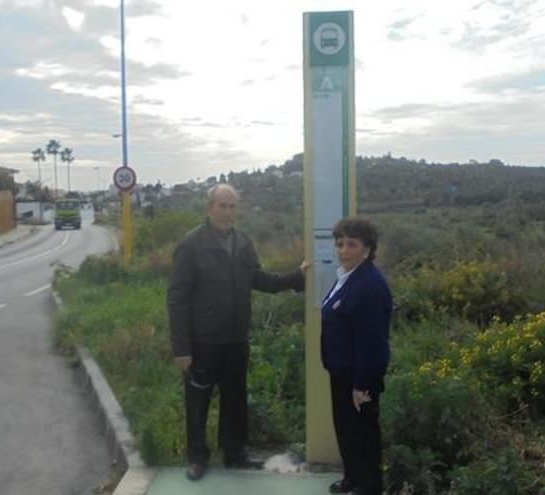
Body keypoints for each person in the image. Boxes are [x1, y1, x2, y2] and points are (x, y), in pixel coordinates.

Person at [167, 183, 307, 481]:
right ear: (210, 208)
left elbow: (259, 278)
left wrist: (296, 278)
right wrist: (181, 348)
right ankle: (197, 458)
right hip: (202, 341)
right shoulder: (191, 244)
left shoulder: (243, 242)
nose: (228, 211)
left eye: (232, 206)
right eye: (222, 205)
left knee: (235, 399)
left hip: (235, 339)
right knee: (197, 402)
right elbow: (177, 298)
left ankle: (234, 453)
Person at [321, 217, 392, 495]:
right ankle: (352, 478)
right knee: (347, 430)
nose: (343, 250)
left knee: (363, 433)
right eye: (340, 243)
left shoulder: (369, 285)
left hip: (359, 376)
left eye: (351, 244)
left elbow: (372, 342)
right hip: (340, 371)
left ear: (367, 249)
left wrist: (362, 384)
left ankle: (369, 486)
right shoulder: (347, 277)